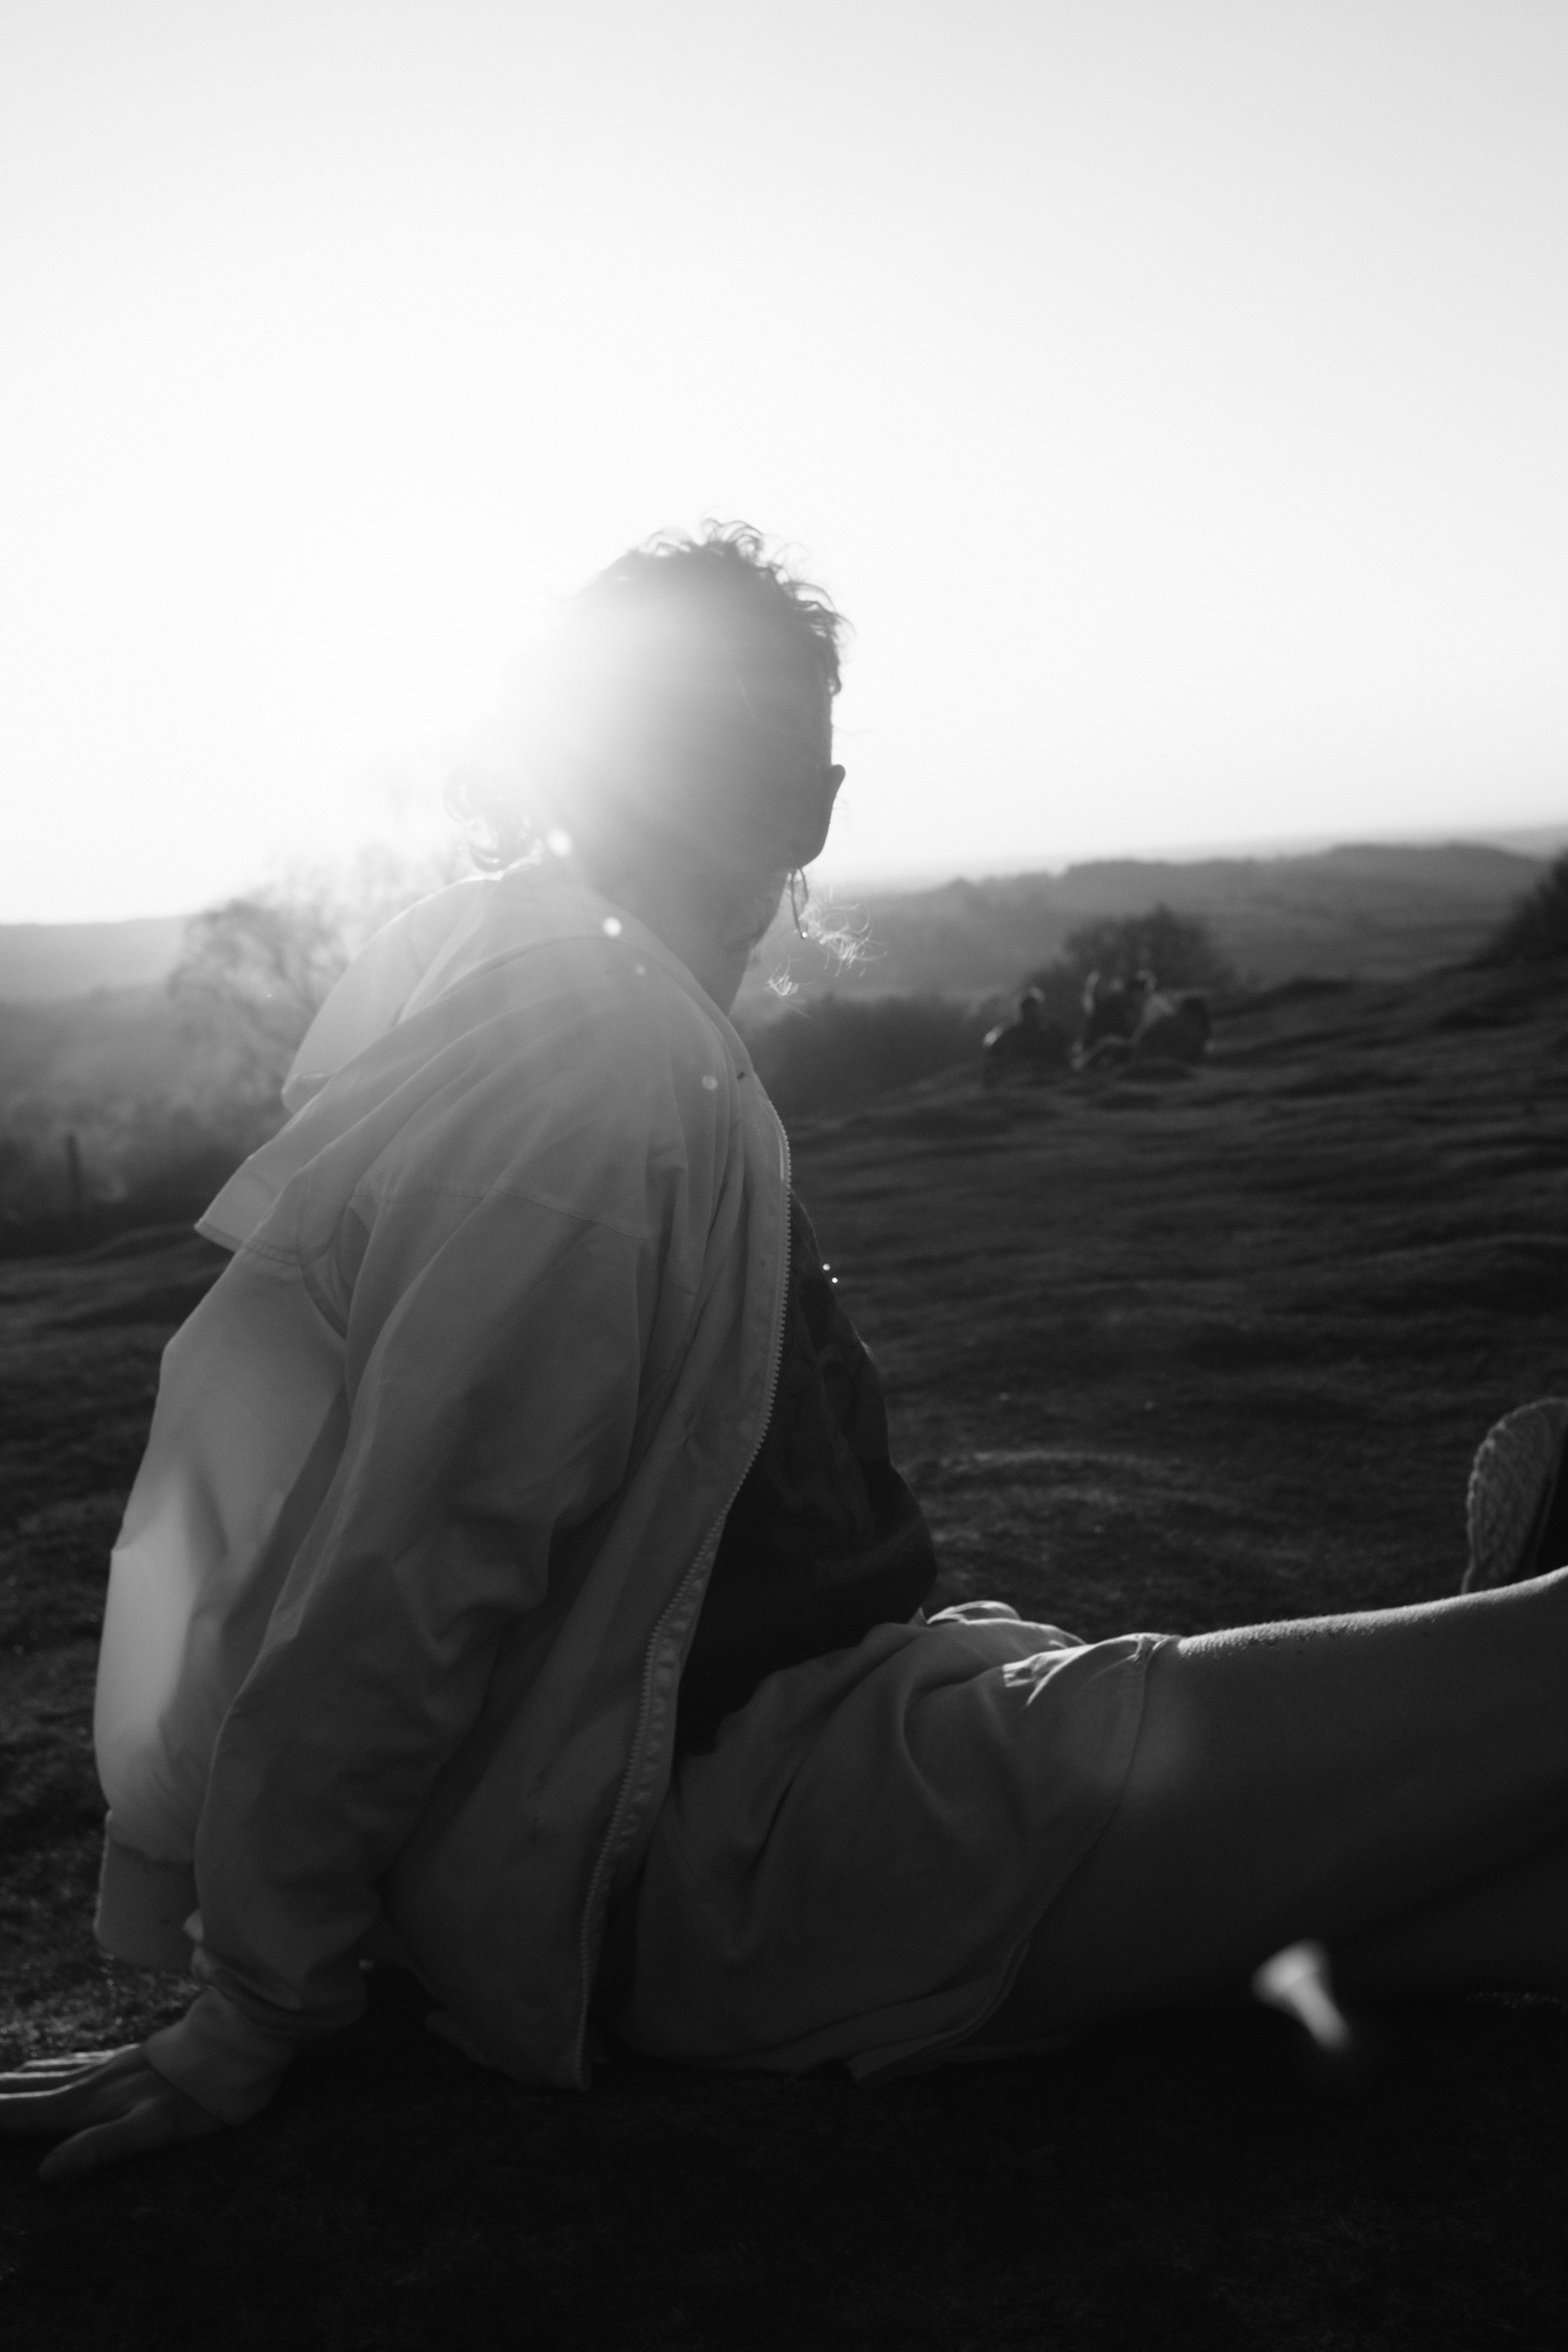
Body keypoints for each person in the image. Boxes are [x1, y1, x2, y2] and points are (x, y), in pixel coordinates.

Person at [5, 525, 1568, 2187]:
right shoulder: (585, 1074)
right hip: (766, 1853)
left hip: (873, 1759)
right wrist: (258, 1996)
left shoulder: (601, 1016)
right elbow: (405, 1559)